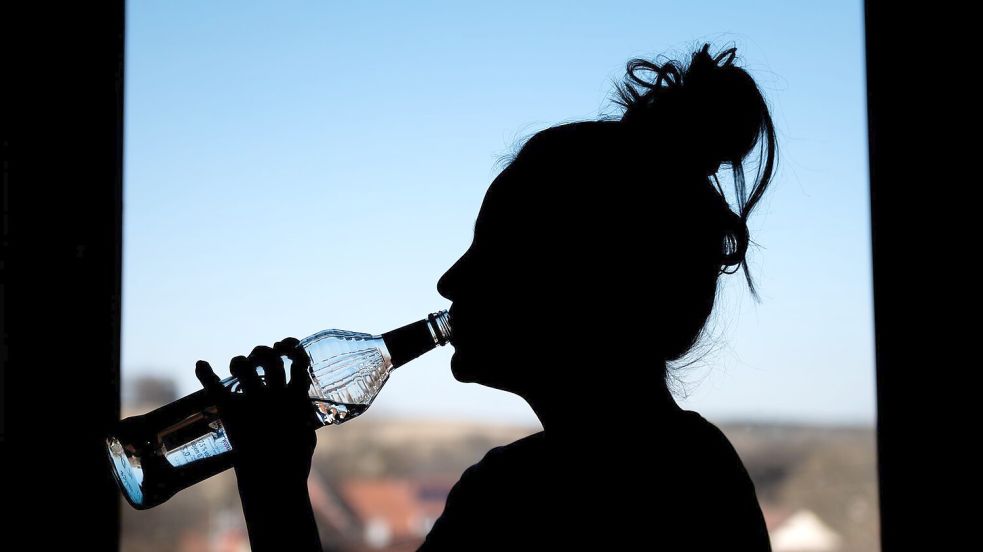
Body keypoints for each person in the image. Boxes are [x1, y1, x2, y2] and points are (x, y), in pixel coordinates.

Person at [197, 42, 778, 551]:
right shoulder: (699, 470)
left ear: (576, 285)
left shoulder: (521, 498)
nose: (450, 282)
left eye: (491, 250)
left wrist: (273, 492)